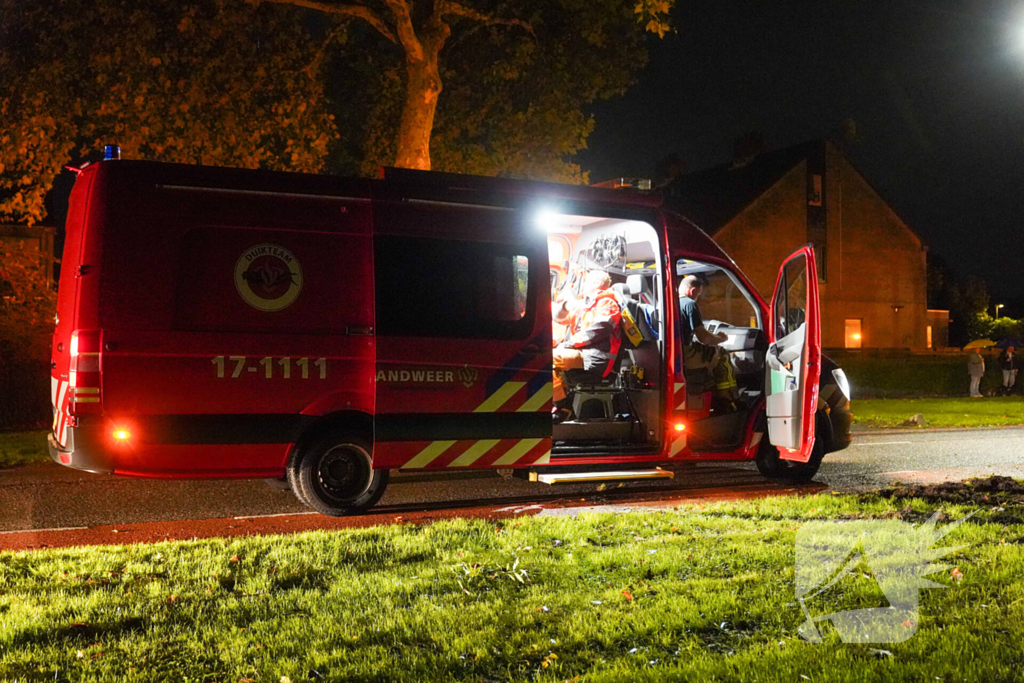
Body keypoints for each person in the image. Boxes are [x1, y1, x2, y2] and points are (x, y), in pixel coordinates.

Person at [551, 270, 622, 418]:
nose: (583, 284)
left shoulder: (607, 302)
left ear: (596, 283)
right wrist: (564, 306)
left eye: (587, 281)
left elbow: (600, 329)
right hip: (584, 353)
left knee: (550, 359)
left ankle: (562, 406)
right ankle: (561, 403)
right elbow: (560, 320)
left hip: (597, 357)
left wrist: (570, 344)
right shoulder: (586, 305)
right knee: (545, 358)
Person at [678, 274, 738, 407]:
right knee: (721, 354)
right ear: (692, 291)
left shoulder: (668, 303)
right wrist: (720, 339)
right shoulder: (689, 304)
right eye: (698, 295)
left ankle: (713, 393)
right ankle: (728, 398)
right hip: (686, 355)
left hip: (677, 353)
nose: (697, 298)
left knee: (709, 355)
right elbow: (704, 338)